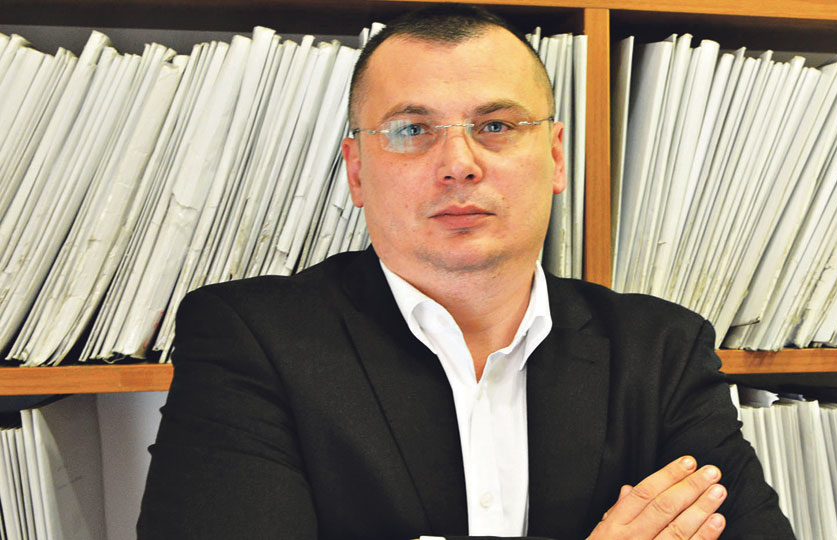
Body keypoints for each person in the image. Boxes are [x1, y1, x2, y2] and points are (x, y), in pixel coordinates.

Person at [137, 5, 795, 540]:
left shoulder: (661, 351)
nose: (459, 164)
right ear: (357, 171)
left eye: (497, 125)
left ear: (556, 157)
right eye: (411, 130)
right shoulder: (250, 338)